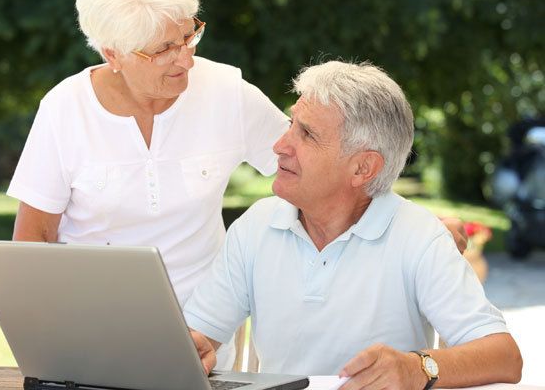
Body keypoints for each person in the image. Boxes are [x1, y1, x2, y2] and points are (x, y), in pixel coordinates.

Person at [7, 0, 466, 371]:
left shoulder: (225, 91)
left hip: (203, 332)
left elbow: (324, 166)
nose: (184, 58)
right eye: (163, 49)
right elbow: (33, 237)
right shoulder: (64, 109)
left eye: (189, 36)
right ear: (114, 54)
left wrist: (415, 224)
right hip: (91, 331)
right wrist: (44, 338)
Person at [185, 61, 522, 389]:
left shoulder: (419, 236)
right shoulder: (256, 225)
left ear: (363, 168)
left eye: (306, 134)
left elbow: (504, 356)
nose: (280, 145)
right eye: (291, 124)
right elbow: (201, 335)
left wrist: (418, 367)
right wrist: (194, 348)